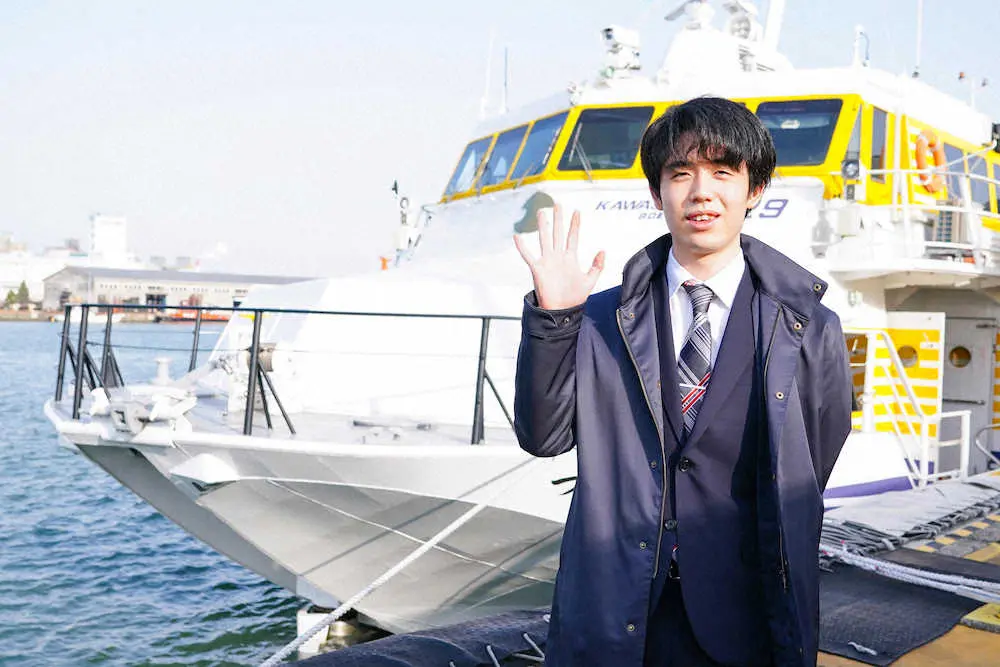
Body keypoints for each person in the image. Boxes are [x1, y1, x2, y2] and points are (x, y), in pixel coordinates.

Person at [512, 96, 852, 666]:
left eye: (722, 172)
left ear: (754, 189)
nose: (701, 191)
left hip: (750, 617)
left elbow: (815, 454)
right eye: (680, 173)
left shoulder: (810, 327)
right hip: (623, 611)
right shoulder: (600, 318)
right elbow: (543, 437)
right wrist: (556, 319)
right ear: (657, 193)